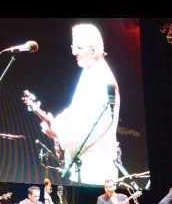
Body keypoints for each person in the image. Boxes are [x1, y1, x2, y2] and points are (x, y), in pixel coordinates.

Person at [23, 23, 120, 185]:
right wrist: (57, 122)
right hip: (86, 168)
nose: (74, 52)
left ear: (94, 49)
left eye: (79, 47)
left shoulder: (102, 79)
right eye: (73, 46)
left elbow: (92, 129)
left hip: (96, 171)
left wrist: (57, 133)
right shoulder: (90, 72)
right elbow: (77, 112)